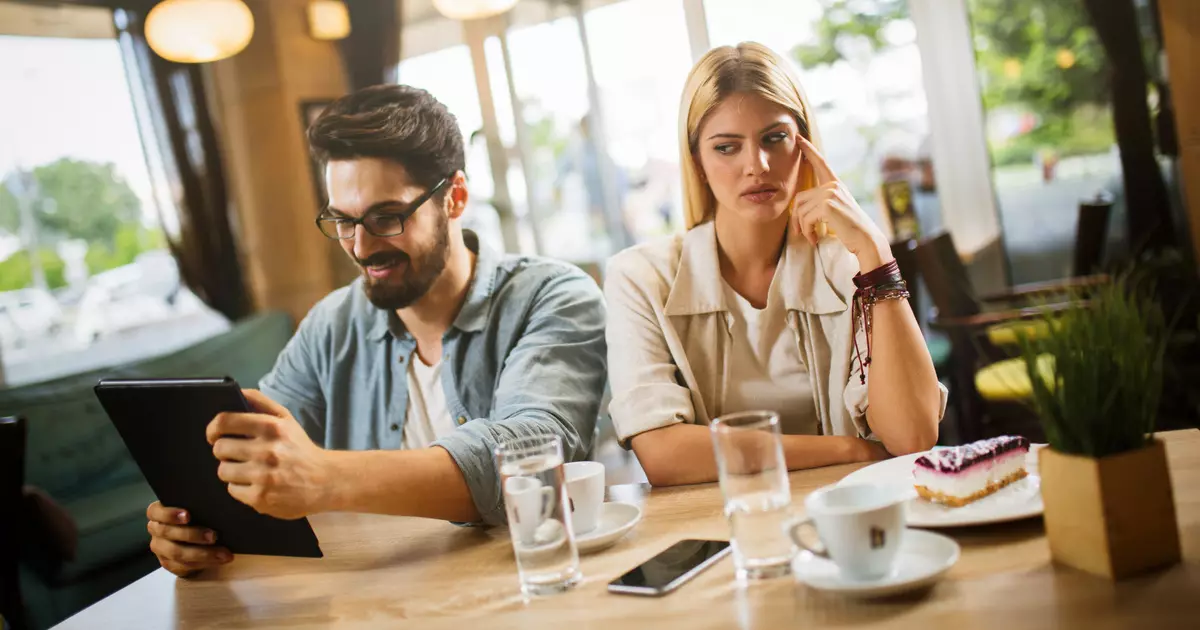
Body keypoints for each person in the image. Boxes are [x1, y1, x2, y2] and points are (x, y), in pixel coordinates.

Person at [145, 85, 608, 576]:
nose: (362, 247)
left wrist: (325, 477)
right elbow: (262, 454)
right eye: (343, 221)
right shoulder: (331, 325)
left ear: (454, 198)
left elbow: (532, 453)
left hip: (533, 583)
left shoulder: (553, 295)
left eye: (386, 217)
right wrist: (195, 524)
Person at [604, 43, 945, 487]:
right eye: (727, 147)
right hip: (715, 536)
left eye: (774, 138)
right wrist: (849, 448)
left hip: (850, 525)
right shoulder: (641, 278)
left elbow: (913, 435)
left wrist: (876, 254)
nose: (757, 165)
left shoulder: (848, 266)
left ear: (803, 146)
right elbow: (664, 454)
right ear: (698, 164)